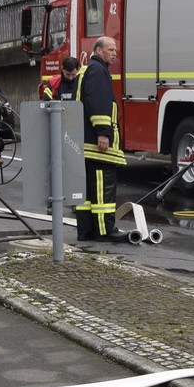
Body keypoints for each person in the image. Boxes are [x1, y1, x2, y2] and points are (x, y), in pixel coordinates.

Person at [76, 36, 127, 242]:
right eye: (110, 49)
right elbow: (97, 103)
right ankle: (105, 231)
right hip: (97, 145)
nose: (115, 53)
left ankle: (86, 231)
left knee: (88, 192)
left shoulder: (88, 70)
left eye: (115, 49)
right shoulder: (98, 71)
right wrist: (103, 132)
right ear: (98, 51)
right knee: (101, 189)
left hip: (87, 142)